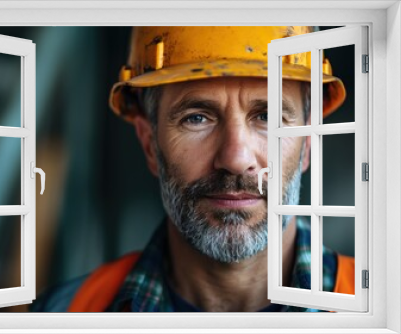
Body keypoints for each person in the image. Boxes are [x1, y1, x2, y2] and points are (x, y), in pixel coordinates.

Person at [31, 26, 354, 313]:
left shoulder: (379, 306)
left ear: (308, 144)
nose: (236, 158)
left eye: (267, 116)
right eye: (197, 118)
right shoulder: (67, 314)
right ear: (149, 144)